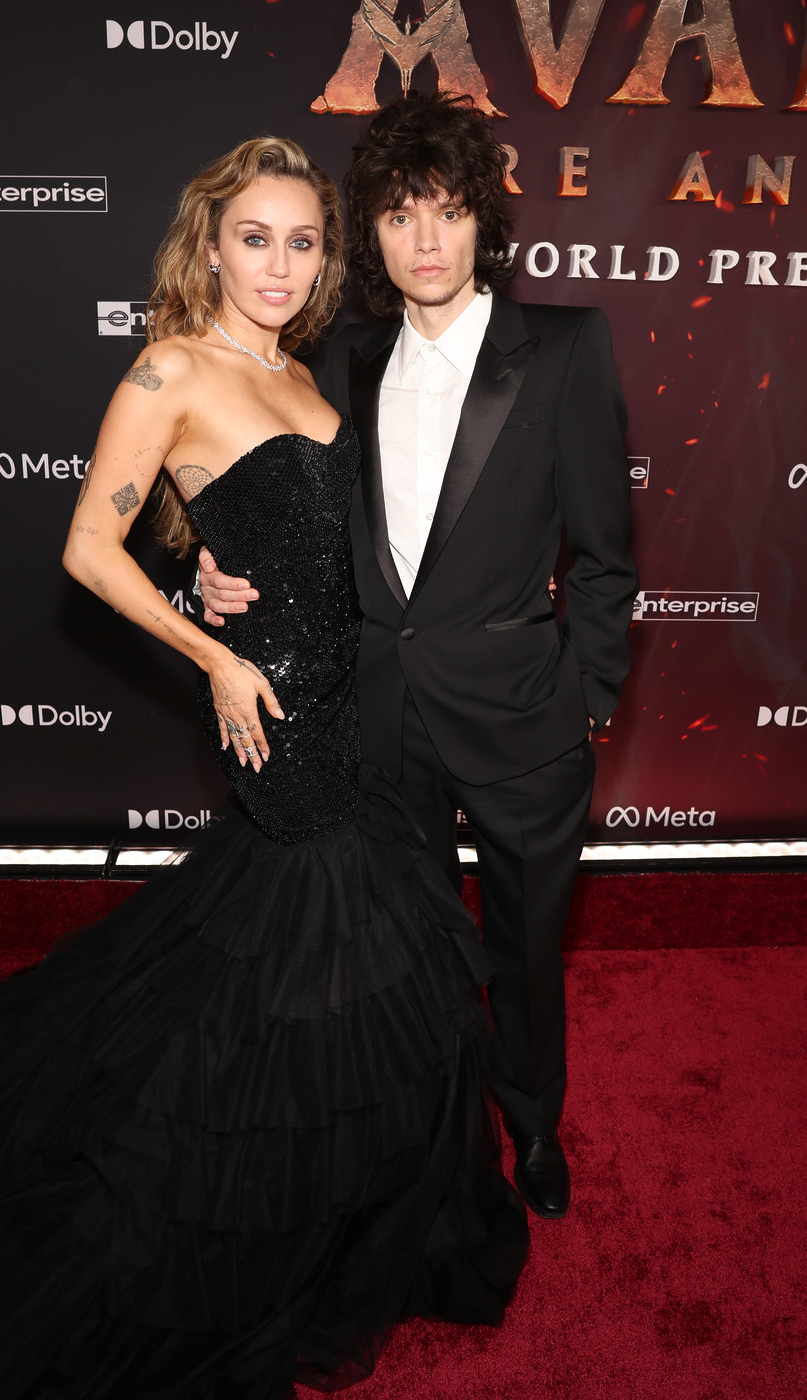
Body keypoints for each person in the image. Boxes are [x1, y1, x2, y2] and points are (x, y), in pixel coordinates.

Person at [0, 137, 529, 1400]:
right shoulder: (170, 365)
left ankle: (357, 1202)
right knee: (320, 960)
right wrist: (210, 652)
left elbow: (284, 537)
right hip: (272, 708)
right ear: (210, 246)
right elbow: (87, 545)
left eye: (302, 241)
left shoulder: (304, 369)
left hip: (358, 704)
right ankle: (271, 1216)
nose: (279, 264)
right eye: (254, 238)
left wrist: (206, 576)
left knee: (359, 956)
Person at [199, 93, 640, 1221]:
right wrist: (208, 569)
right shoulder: (342, 356)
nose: (426, 240)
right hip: (380, 716)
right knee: (404, 945)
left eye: (446, 211)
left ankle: (531, 1120)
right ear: (374, 235)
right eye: (399, 216)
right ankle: (429, 1127)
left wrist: (586, 699)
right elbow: (282, 509)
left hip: (522, 720)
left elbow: (604, 553)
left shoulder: (565, 346)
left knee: (525, 948)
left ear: (481, 219)